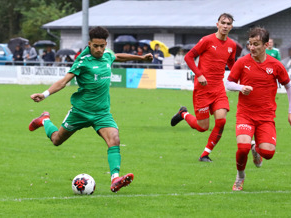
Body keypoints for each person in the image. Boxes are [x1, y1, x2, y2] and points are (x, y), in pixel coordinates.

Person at [28, 26, 153, 193]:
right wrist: (44, 94)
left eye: (102, 46)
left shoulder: (107, 54)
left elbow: (117, 56)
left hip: (102, 113)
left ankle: (115, 178)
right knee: (57, 140)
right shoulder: (83, 60)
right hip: (80, 112)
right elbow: (63, 82)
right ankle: (45, 120)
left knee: (114, 139)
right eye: (96, 46)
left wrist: (141, 58)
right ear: (89, 44)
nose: (100, 50)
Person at [225, 27, 291, 191]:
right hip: (245, 114)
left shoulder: (276, 65)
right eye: (250, 44)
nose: (252, 47)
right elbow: (228, 83)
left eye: (256, 44)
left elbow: (289, 87)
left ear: (266, 45)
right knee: (242, 147)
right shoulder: (242, 62)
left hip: (266, 117)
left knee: (268, 154)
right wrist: (240, 87)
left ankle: (256, 149)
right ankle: (240, 177)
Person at [170, 13, 237, 162]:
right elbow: (188, 57)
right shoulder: (207, 40)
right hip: (203, 89)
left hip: (218, 88)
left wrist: (241, 79)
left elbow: (233, 65)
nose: (225, 26)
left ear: (231, 26)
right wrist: (199, 74)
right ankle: (183, 114)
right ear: (217, 24)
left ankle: (205, 154)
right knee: (202, 127)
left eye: (228, 24)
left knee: (221, 121)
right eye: (223, 23)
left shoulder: (232, 45)